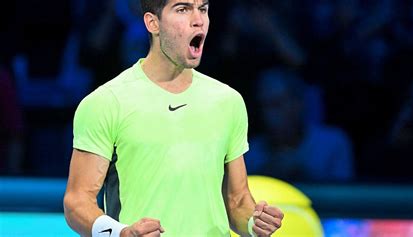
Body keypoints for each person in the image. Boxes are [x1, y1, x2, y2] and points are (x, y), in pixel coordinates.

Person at [63, 0, 283, 237]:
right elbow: (77, 202)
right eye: (182, 9)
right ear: (152, 23)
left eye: (203, 9)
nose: (198, 19)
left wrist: (254, 223)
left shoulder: (228, 101)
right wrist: (120, 233)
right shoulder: (107, 102)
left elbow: (237, 201)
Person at [245, 68, 354, 182]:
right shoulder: (250, 152)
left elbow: (344, 196)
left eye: (277, 104)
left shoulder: (333, 144)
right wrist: (264, 174)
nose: (269, 114)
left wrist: (300, 174)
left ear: (298, 104)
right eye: (264, 106)